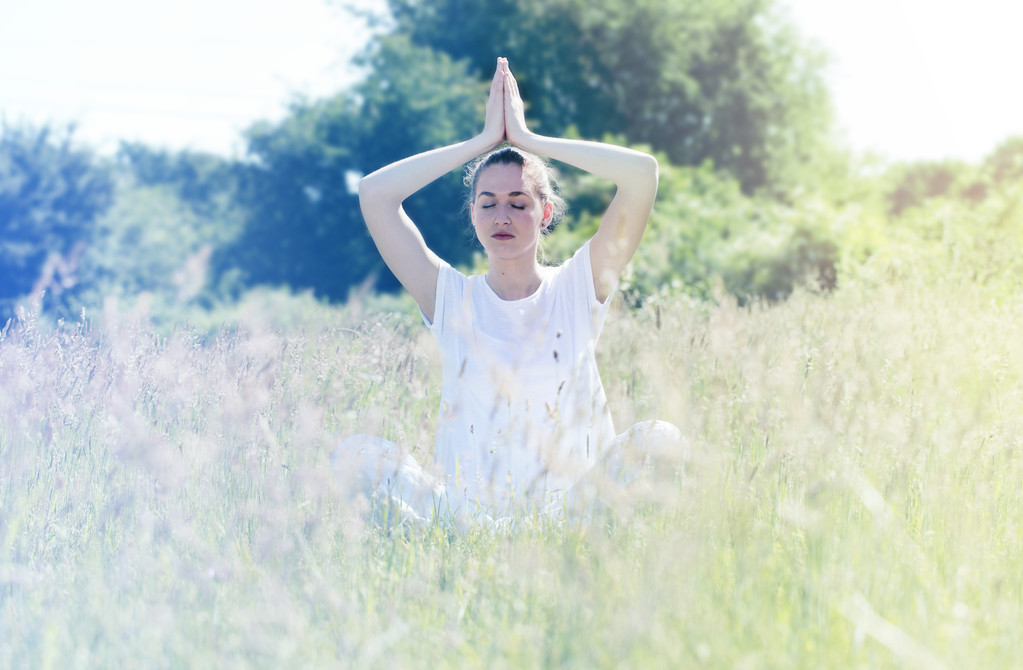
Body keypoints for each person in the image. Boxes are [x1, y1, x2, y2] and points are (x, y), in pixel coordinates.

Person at [333, 58, 683, 526]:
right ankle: (441, 554)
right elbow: (374, 194)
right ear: (473, 214)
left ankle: (590, 557)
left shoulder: (580, 287)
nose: (502, 216)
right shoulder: (450, 299)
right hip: (466, 519)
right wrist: (481, 143)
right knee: (356, 454)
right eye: (488, 204)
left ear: (544, 213)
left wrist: (528, 140)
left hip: (571, 517)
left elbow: (642, 175)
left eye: (518, 203)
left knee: (662, 438)